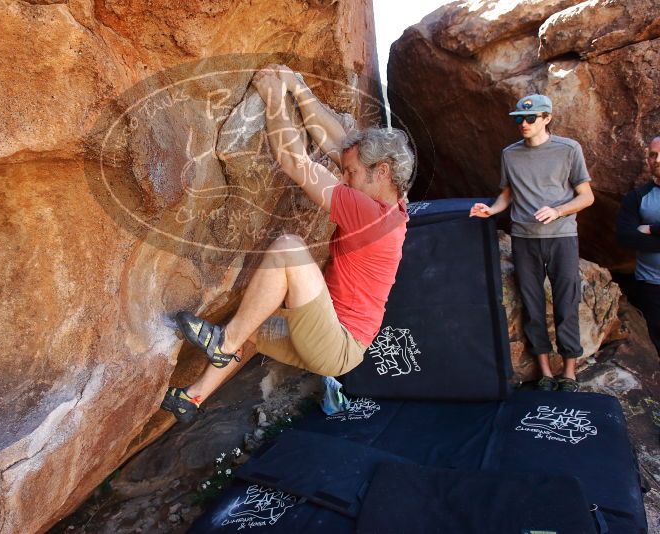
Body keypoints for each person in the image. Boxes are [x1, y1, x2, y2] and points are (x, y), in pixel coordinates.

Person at [161, 65, 414, 422]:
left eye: (351, 174)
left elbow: (295, 163)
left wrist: (275, 99)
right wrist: (297, 86)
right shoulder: (393, 204)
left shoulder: (371, 215)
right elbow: (340, 143)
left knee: (289, 247)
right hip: (333, 339)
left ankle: (224, 344)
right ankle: (193, 398)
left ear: (382, 171)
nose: (345, 177)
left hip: (337, 342)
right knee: (253, 320)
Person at [470, 94, 594, 392]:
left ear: (547, 118)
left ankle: (569, 372)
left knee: (566, 303)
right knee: (532, 305)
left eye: (530, 118)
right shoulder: (510, 154)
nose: (523, 124)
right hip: (524, 239)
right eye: (518, 119)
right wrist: (491, 210)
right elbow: (506, 195)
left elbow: (586, 196)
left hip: (562, 237)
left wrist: (558, 210)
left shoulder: (568, 150)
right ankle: (545, 374)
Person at [616, 135, 660, 356]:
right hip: (651, 284)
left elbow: (641, 235)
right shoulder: (638, 197)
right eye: (653, 155)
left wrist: (652, 229)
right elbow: (626, 237)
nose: (657, 159)